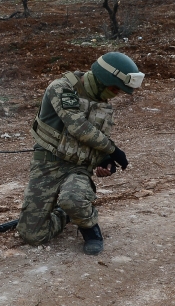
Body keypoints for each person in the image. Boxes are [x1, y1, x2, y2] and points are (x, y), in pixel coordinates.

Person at [17, 52, 144, 255]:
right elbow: (77, 126)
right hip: (47, 164)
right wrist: (113, 150)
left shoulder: (101, 101)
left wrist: (105, 160)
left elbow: (93, 140)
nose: (116, 95)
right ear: (104, 80)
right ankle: (64, 215)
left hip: (78, 168)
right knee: (32, 235)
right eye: (115, 89)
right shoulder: (61, 88)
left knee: (73, 199)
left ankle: (90, 228)